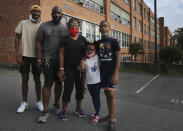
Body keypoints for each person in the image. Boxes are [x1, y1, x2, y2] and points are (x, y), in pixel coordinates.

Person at [36, 6, 68, 123]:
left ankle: (56, 104)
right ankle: (45, 111)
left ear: (62, 15)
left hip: (60, 61)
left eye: (59, 13)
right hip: (47, 59)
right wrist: (39, 59)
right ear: (51, 14)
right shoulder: (44, 26)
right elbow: (39, 43)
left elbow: (67, 45)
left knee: (59, 83)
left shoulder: (65, 28)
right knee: (48, 83)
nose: (56, 15)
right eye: (54, 13)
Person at [15, 5, 43, 113]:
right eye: (34, 11)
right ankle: (24, 102)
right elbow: (17, 38)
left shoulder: (42, 25)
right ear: (31, 12)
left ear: (40, 14)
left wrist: (41, 58)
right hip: (25, 56)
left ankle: (38, 102)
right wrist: (17, 54)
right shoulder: (23, 23)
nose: (36, 13)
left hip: (37, 57)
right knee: (25, 79)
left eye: (38, 12)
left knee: (37, 80)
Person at [59, 17, 87, 122]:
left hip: (80, 69)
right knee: (68, 89)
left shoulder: (83, 39)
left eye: (76, 25)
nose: (74, 27)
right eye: (71, 25)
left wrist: (83, 60)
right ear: (68, 27)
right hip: (68, 67)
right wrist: (61, 69)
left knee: (80, 89)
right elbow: (61, 54)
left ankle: (78, 108)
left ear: (79, 27)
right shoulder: (65, 39)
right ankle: (63, 111)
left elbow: (87, 53)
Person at [95, 20, 120, 131]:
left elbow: (118, 59)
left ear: (109, 28)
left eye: (105, 26)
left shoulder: (114, 41)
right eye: (101, 26)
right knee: (106, 93)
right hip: (102, 73)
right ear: (99, 29)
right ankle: (109, 115)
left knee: (111, 94)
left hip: (111, 73)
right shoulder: (98, 42)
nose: (103, 28)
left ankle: (112, 120)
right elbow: (91, 54)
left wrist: (115, 74)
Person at [81, 42, 101, 123]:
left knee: (96, 98)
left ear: (95, 50)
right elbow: (83, 74)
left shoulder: (97, 57)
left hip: (97, 82)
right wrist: (83, 85)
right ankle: (96, 112)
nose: (89, 51)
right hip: (89, 83)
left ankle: (97, 115)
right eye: (88, 49)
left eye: (91, 49)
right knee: (93, 98)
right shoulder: (84, 60)